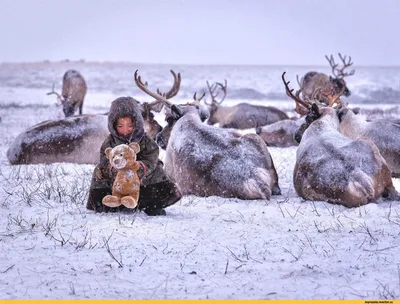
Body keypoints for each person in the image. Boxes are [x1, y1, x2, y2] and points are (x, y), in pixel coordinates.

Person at [86, 96, 181, 216]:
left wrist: (141, 167)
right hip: (118, 179)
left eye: (129, 126)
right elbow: (104, 158)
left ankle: (153, 204)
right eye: (120, 126)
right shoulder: (110, 141)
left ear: (137, 123)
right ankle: (107, 203)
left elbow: (152, 155)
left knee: (158, 171)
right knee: (99, 171)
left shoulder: (144, 139)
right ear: (113, 125)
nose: (125, 130)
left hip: (141, 175)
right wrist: (113, 169)